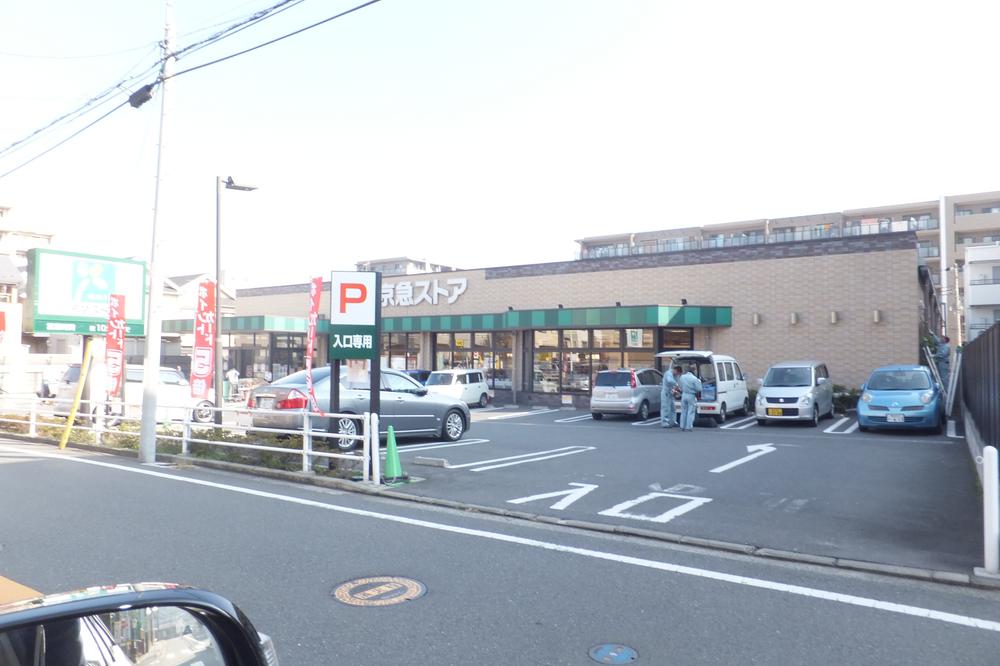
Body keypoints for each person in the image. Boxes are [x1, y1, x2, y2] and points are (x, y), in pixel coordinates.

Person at [674, 364, 702, 432]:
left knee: (683, 411)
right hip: (691, 395)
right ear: (693, 374)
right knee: (690, 412)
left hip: (684, 395)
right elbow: (699, 389)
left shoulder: (682, 377)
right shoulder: (695, 379)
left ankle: (682, 426)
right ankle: (688, 427)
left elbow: (679, 386)